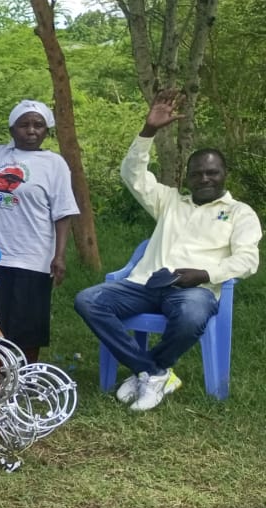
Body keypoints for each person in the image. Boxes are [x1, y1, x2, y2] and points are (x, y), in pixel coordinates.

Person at [74, 90, 261, 411]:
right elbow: (132, 175)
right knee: (88, 300)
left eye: (212, 172)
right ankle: (154, 371)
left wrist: (203, 274)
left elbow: (247, 260)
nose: (204, 178)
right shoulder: (170, 201)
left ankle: (147, 370)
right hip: (144, 284)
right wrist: (148, 130)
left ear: (223, 174)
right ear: (186, 177)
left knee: (191, 314)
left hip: (194, 290)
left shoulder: (239, 212)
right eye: (197, 173)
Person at [0, 100, 79, 362]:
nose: (31, 130)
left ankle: (24, 375)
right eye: (24, 125)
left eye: (38, 125)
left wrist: (59, 256)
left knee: (28, 324)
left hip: (33, 256)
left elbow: (63, 213)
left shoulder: (54, 164)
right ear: (12, 129)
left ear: (47, 130)